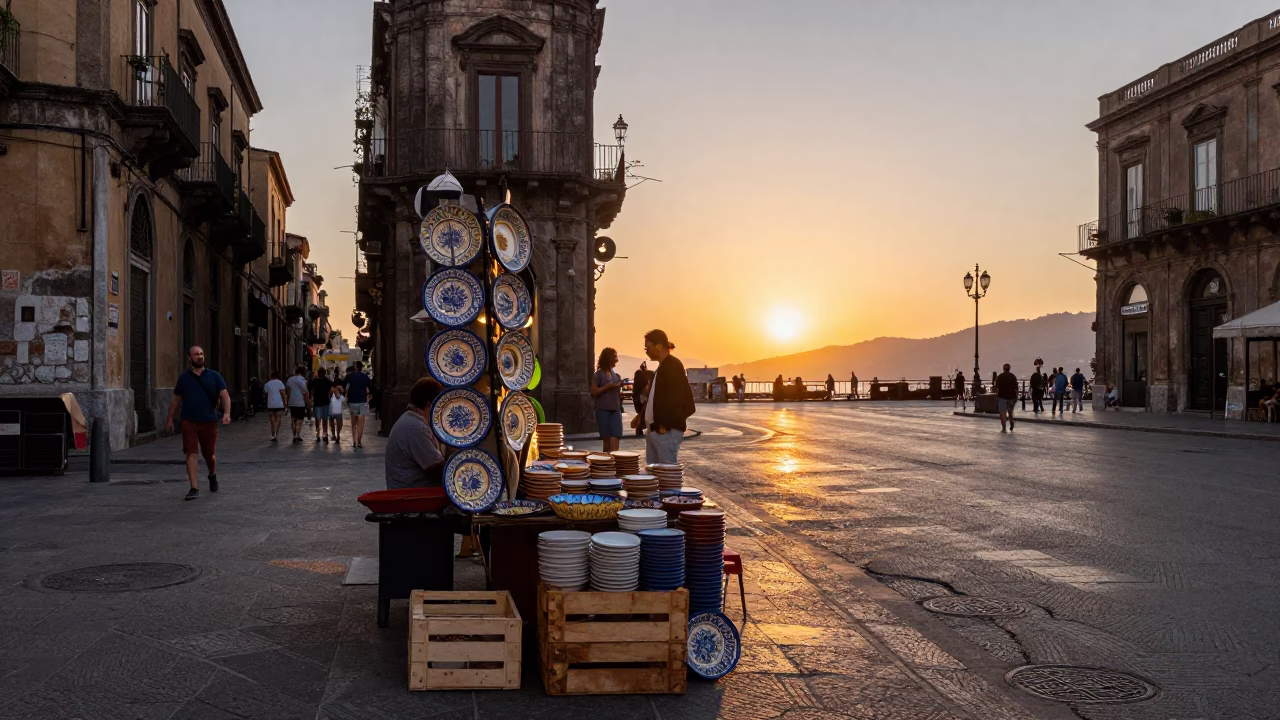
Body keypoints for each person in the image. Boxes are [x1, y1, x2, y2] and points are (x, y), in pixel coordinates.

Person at [164, 346, 230, 501]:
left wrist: (226, 413)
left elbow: (225, 396)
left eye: (201, 354)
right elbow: (176, 400)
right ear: (189, 358)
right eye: (196, 354)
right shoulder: (184, 378)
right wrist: (170, 418)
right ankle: (194, 488)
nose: (199, 356)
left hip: (209, 421)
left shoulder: (214, 376)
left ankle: (212, 474)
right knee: (191, 452)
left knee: (210, 455)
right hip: (189, 421)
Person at [630, 329, 695, 464]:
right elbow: (655, 398)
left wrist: (665, 425)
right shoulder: (662, 368)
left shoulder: (673, 366)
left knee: (667, 475)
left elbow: (678, 399)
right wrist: (641, 416)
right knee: (655, 474)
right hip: (655, 430)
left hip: (665, 432)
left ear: (658, 346)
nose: (646, 350)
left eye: (647, 347)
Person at [385, 377, 446, 489]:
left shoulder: (412, 420)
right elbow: (437, 470)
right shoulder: (417, 428)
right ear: (430, 403)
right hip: (412, 494)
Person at [590, 347, 624, 452]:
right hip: (602, 409)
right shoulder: (598, 374)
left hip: (615, 409)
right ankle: (607, 464)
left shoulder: (616, 376)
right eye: (614, 357)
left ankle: (614, 461)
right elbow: (593, 391)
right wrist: (607, 386)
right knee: (607, 440)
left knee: (616, 437)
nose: (616, 360)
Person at [343, 361, 373, 448]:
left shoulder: (349, 376)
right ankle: (359, 440)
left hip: (352, 401)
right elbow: (369, 389)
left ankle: (354, 441)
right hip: (363, 401)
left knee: (354, 422)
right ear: (361, 367)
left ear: (355, 367)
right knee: (361, 421)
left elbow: (345, 387)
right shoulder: (365, 377)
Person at [286, 365, 310, 442]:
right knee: (300, 420)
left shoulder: (290, 380)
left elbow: (288, 392)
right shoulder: (303, 381)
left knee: (293, 418)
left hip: (292, 402)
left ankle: (295, 435)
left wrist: (287, 402)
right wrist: (308, 404)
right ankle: (297, 435)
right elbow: (306, 394)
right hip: (300, 403)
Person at [309, 367, 333, 442]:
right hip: (325, 402)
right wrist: (329, 395)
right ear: (325, 373)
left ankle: (317, 434)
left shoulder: (315, 381)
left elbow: (309, 387)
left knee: (317, 419)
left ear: (318, 373)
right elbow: (332, 388)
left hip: (317, 402)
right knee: (325, 419)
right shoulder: (327, 381)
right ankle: (325, 434)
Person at [263, 370, 287, 441]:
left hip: (271, 404)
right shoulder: (280, 383)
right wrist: (285, 404)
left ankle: (273, 434)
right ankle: (276, 432)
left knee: (272, 419)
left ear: (271, 376)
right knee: (278, 418)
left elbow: (265, 393)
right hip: (279, 404)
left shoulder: (267, 384)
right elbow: (283, 394)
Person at [995, 363, 1018, 433]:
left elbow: (997, 388)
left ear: (1003, 369)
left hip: (1002, 397)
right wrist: (1015, 397)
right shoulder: (1013, 376)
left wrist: (997, 395)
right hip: (1011, 397)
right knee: (1010, 412)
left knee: (1003, 413)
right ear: (1009, 369)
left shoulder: (1000, 377)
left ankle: (1004, 428)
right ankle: (1011, 421)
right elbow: (1016, 388)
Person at [328, 378, 345, 445]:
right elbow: (328, 396)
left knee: (339, 424)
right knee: (333, 423)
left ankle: (337, 435)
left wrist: (341, 392)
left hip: (338, 410)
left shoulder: (340, 393)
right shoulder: (331, 392)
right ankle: (334, 435)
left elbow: (343, 399)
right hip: (333, 410)